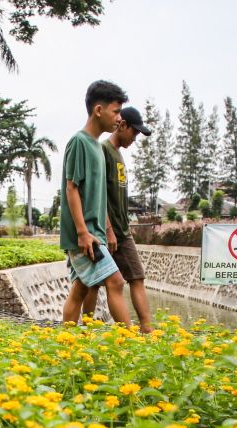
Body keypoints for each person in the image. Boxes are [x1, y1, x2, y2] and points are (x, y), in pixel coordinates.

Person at [59, 80, 131, 327]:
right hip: (84, 235)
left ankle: (68, 342)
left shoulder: (97, 148)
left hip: (94, 233)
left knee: (81, 289)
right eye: (116, 111)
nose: (119, 118)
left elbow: (97, 198)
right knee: (116, 282)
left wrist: (105, 229)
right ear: (98, 110)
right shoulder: (79, 142)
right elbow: (72, 188)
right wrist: (82, 232)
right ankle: (130, 342)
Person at [82, 106, 154, 333]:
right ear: (123, 125)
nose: (134, 138)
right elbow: (98, 193)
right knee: (94, 283)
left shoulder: (118, 153)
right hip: (109, 232)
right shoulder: (103, 150)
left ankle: (146, 329)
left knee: (136, 277)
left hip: (123, 231)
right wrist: (108, 228)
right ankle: (88, 329)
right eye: (134, 132)